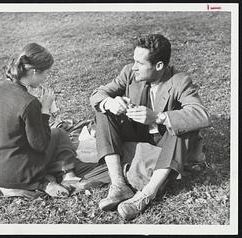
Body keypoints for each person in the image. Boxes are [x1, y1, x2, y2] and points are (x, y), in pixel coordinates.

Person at [90, 34, 210, 220]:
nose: (134, 67)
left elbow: (201, 115)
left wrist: (159, 117)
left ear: (159, 66)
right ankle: (118, 185)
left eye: (140, 63)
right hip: (136, 134)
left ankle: (147, 195)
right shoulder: (130, 72)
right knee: (103, 111)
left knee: (183, 128)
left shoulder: (179, 81)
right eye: (134, 61)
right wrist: (110, 102)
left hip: (165, 144)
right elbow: (98, 94)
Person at [0, 43, 80, 198]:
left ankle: (45, 182)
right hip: (19, 174)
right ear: (35, 72)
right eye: (46, 74)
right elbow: (40, 146)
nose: (46, 78)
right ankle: (67, 176)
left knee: (54, 133)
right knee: (60, 134)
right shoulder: (29, 103)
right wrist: (44, 111)